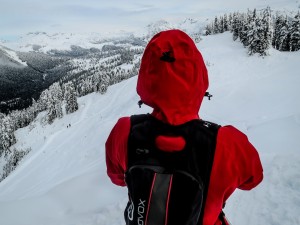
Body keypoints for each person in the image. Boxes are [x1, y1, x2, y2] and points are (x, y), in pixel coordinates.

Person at [105, 29, 263, 225]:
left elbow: (118, 178)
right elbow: (253, 179)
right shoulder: (226, 143)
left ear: (146, 78)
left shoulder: (125, 131)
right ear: (200, 77)